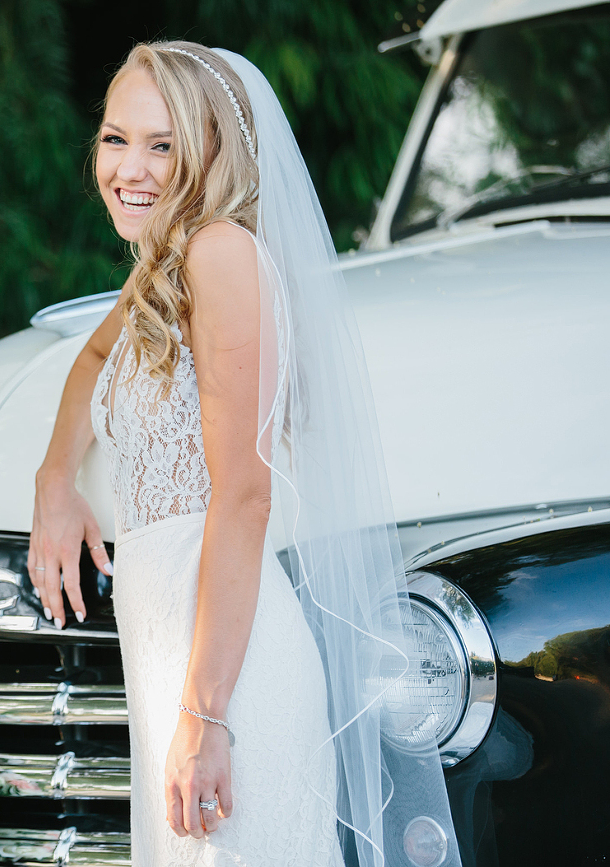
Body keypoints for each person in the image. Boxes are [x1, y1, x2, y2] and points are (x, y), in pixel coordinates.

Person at [28, 41, 460, 867]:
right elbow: (89, 362)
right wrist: (54, 478)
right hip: (174, 668)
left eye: (163, 145)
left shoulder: (218, 253)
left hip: (230, 677)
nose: (130, 167)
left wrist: (206, 716)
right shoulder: (164, 262)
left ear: (212, 153)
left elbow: (243, 498)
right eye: (116, 138)